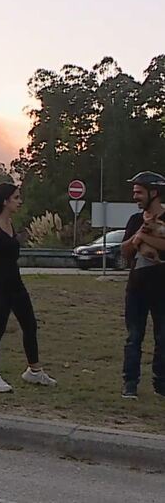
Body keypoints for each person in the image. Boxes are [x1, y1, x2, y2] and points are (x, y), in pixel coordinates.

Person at [0, 183, 57, 392]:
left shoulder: (10, 223)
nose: (20, 202)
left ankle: (34, 371)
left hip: (15, 282)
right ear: (4, 200)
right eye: (16, 198)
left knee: (29, 324)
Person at [119, 171, 165, 399]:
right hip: (136, 288)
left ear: (153, 193)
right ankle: (130, 383)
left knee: (163, 337)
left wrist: (144, 238)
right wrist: (139, 234)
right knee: (134, 337)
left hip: (162, 288)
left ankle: (161, 385)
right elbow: (126, 251)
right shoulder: (135, 221)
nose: (135, 196)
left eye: (139, 192)